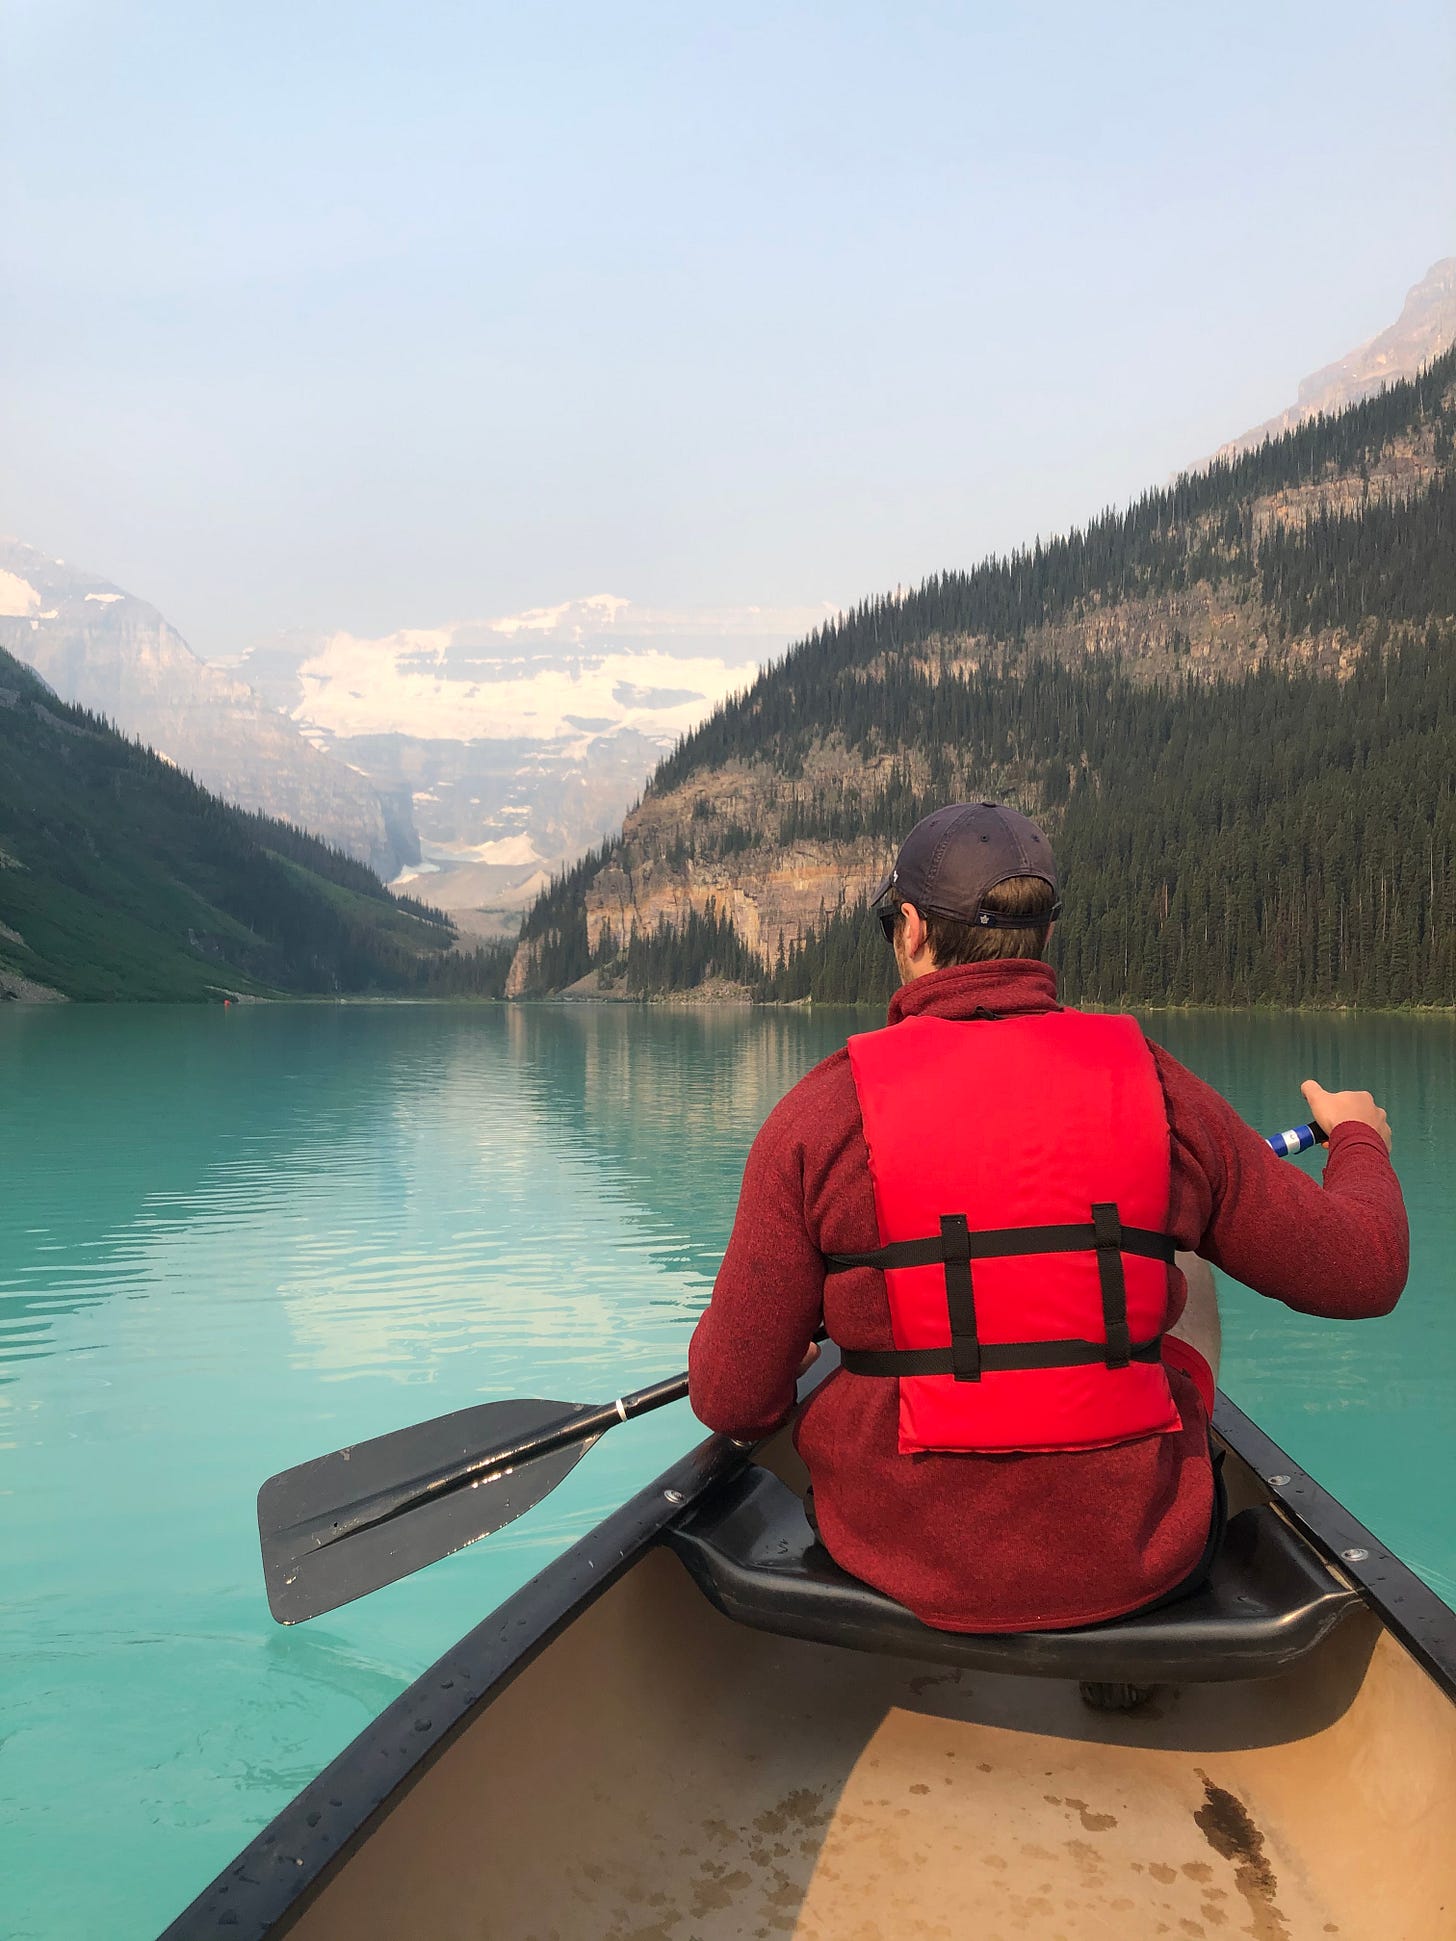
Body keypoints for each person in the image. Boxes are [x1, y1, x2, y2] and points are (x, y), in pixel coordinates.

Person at [687, 803, 1409, 1632]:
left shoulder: (820, 1113)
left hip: (896, 1554)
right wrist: (1357, 1137)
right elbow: (1366, 1267)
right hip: (1141, 1555)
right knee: (1185, 1262)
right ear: (1045, 936)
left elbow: (732, 1399)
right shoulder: (1159, 1090)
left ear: (912, 929)